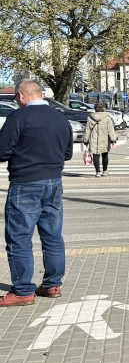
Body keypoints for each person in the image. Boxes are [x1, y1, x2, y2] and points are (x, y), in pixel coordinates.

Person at [0, 80, 73, 306]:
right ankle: (52, 284)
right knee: (52, 235)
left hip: (25, 183)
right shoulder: (61, 118)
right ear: (41, 94)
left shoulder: (17, 118)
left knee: (19, 237)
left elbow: (2, 152)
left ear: (22, 96)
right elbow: (68, 153)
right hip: (54, 182)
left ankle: (22, 290)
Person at [84, 102, 117, 177]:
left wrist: (85, 140)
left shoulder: (90, 118)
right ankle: (105, 171)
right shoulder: (107, 118)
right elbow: (111, 130)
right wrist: (113, 140)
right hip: (104, 139)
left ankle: (98, 172)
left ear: (95, 109)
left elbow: (87, 130)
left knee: (95, 155)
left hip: (93, 139)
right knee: (105, 155)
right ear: (103, 108)